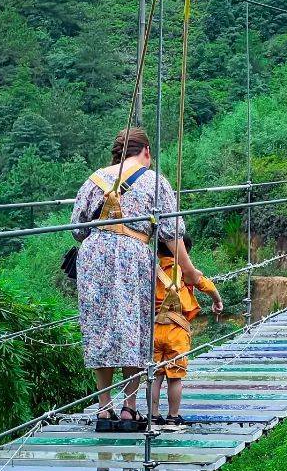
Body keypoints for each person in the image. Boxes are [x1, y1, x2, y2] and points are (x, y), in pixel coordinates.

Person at [71, 127, 198, 432]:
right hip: (133, 255)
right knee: (135, 325)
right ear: (146, 152)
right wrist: (191, 271)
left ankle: (104, 409)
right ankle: (129, 408)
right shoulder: (155, 181)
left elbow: (77, 228)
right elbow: (171, 233)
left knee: (99, 327)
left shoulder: (94, 179)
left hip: (94, 256)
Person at [149, 234, 223, 430]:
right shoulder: (186, 271)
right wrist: (217, 301)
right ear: (185, 252)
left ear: (157, 252)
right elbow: (207, 285)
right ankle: (173, 417)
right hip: (177, 330)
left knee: (155, 376)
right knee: (175, 376)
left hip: (154, 329)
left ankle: (153, 417)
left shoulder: (151, 270)